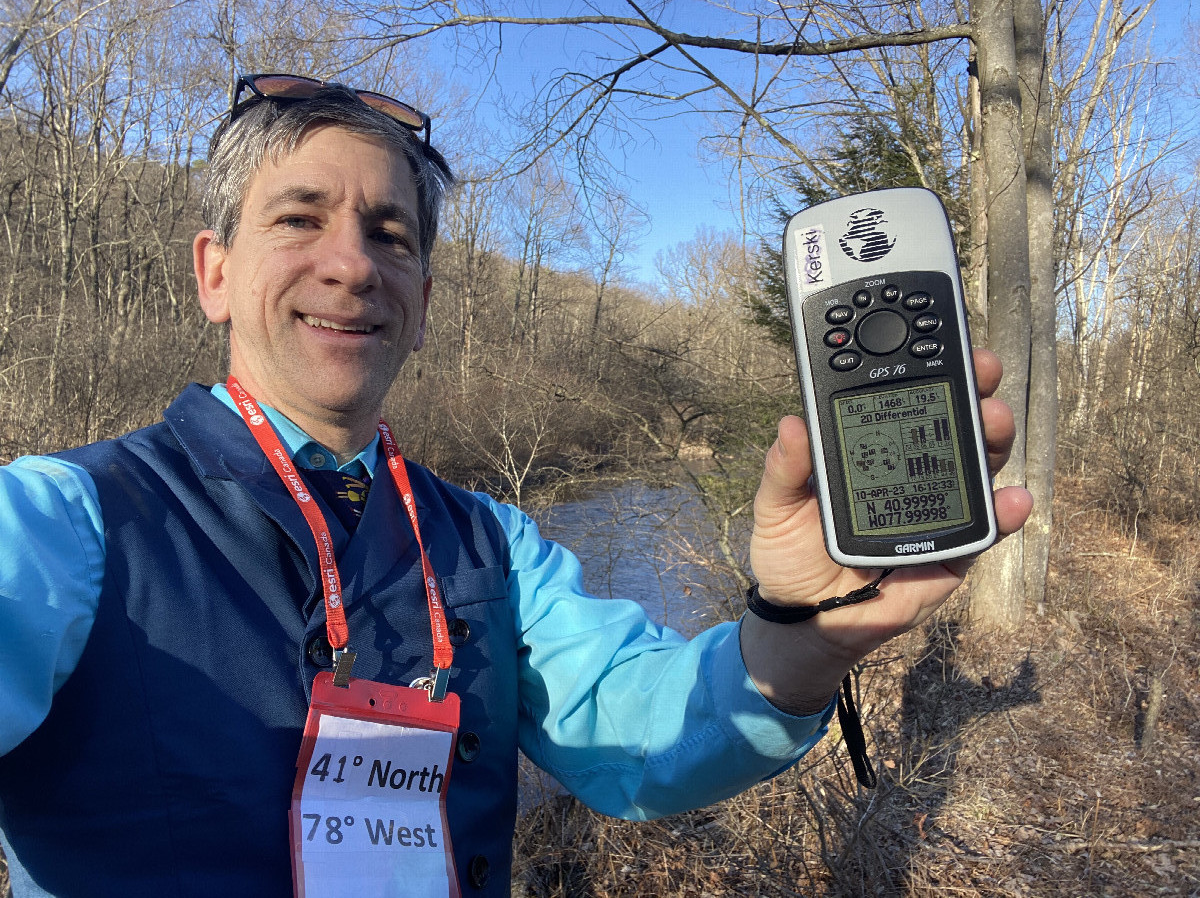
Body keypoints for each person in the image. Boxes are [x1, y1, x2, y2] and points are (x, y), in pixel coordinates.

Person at [0, 74, 1032, 897]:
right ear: (213, 271)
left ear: (425, 296)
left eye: (391, 235)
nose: (352, 265)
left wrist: (800, 638)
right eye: (299, 220)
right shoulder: (66, 522)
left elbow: (638, 731)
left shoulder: (492, 542)